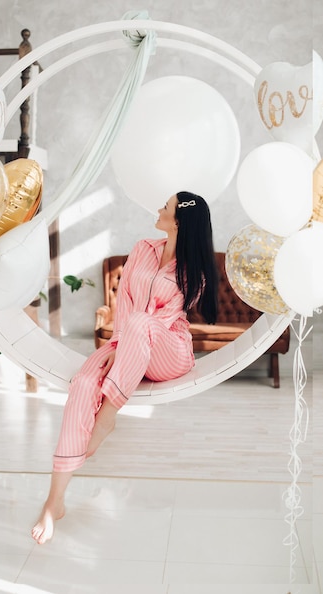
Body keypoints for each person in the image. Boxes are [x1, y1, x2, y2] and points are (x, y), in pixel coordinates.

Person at [31, 190, 218, 544]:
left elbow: (161, 318)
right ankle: (54, 501)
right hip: (129, 344)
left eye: (166, 206)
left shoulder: (194, 269)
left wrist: (130, 338)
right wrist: (120, 347)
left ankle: (108, 417)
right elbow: (125, 305)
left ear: (178, 221)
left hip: (168, 349)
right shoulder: (143, 248)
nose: (159, 208)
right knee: (84, 383)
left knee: (141, 325)